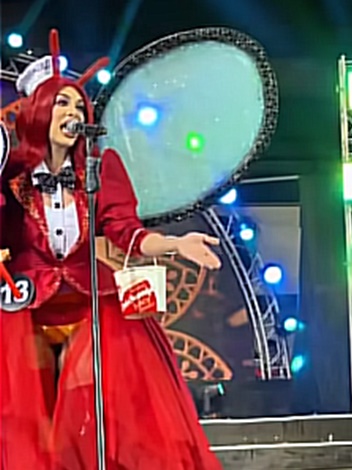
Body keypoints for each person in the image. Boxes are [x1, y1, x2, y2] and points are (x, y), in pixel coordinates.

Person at [0, 30, 222, 469]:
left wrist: (175, 244)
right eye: (61, 103)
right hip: (26, 310)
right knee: (29, 419)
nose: (73, 112)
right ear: (38, 110)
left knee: (103, 407)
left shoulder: (100, 169)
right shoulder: (9, 173)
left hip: (91, 304)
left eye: (78, 106)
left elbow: (126, 231)